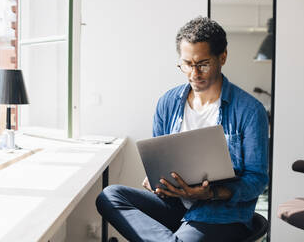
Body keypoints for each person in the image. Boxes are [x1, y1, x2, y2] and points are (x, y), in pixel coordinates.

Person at [96, 16, 269, 242]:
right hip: (175, 205)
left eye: (203, 64)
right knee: (110, 196)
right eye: (187, 64)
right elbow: (158, 159)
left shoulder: (249, 110)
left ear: (222, 57)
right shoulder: (168, 102)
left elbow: (257, 180)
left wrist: (211, 193)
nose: (194, 73)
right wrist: (156, 181)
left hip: (221, 213)